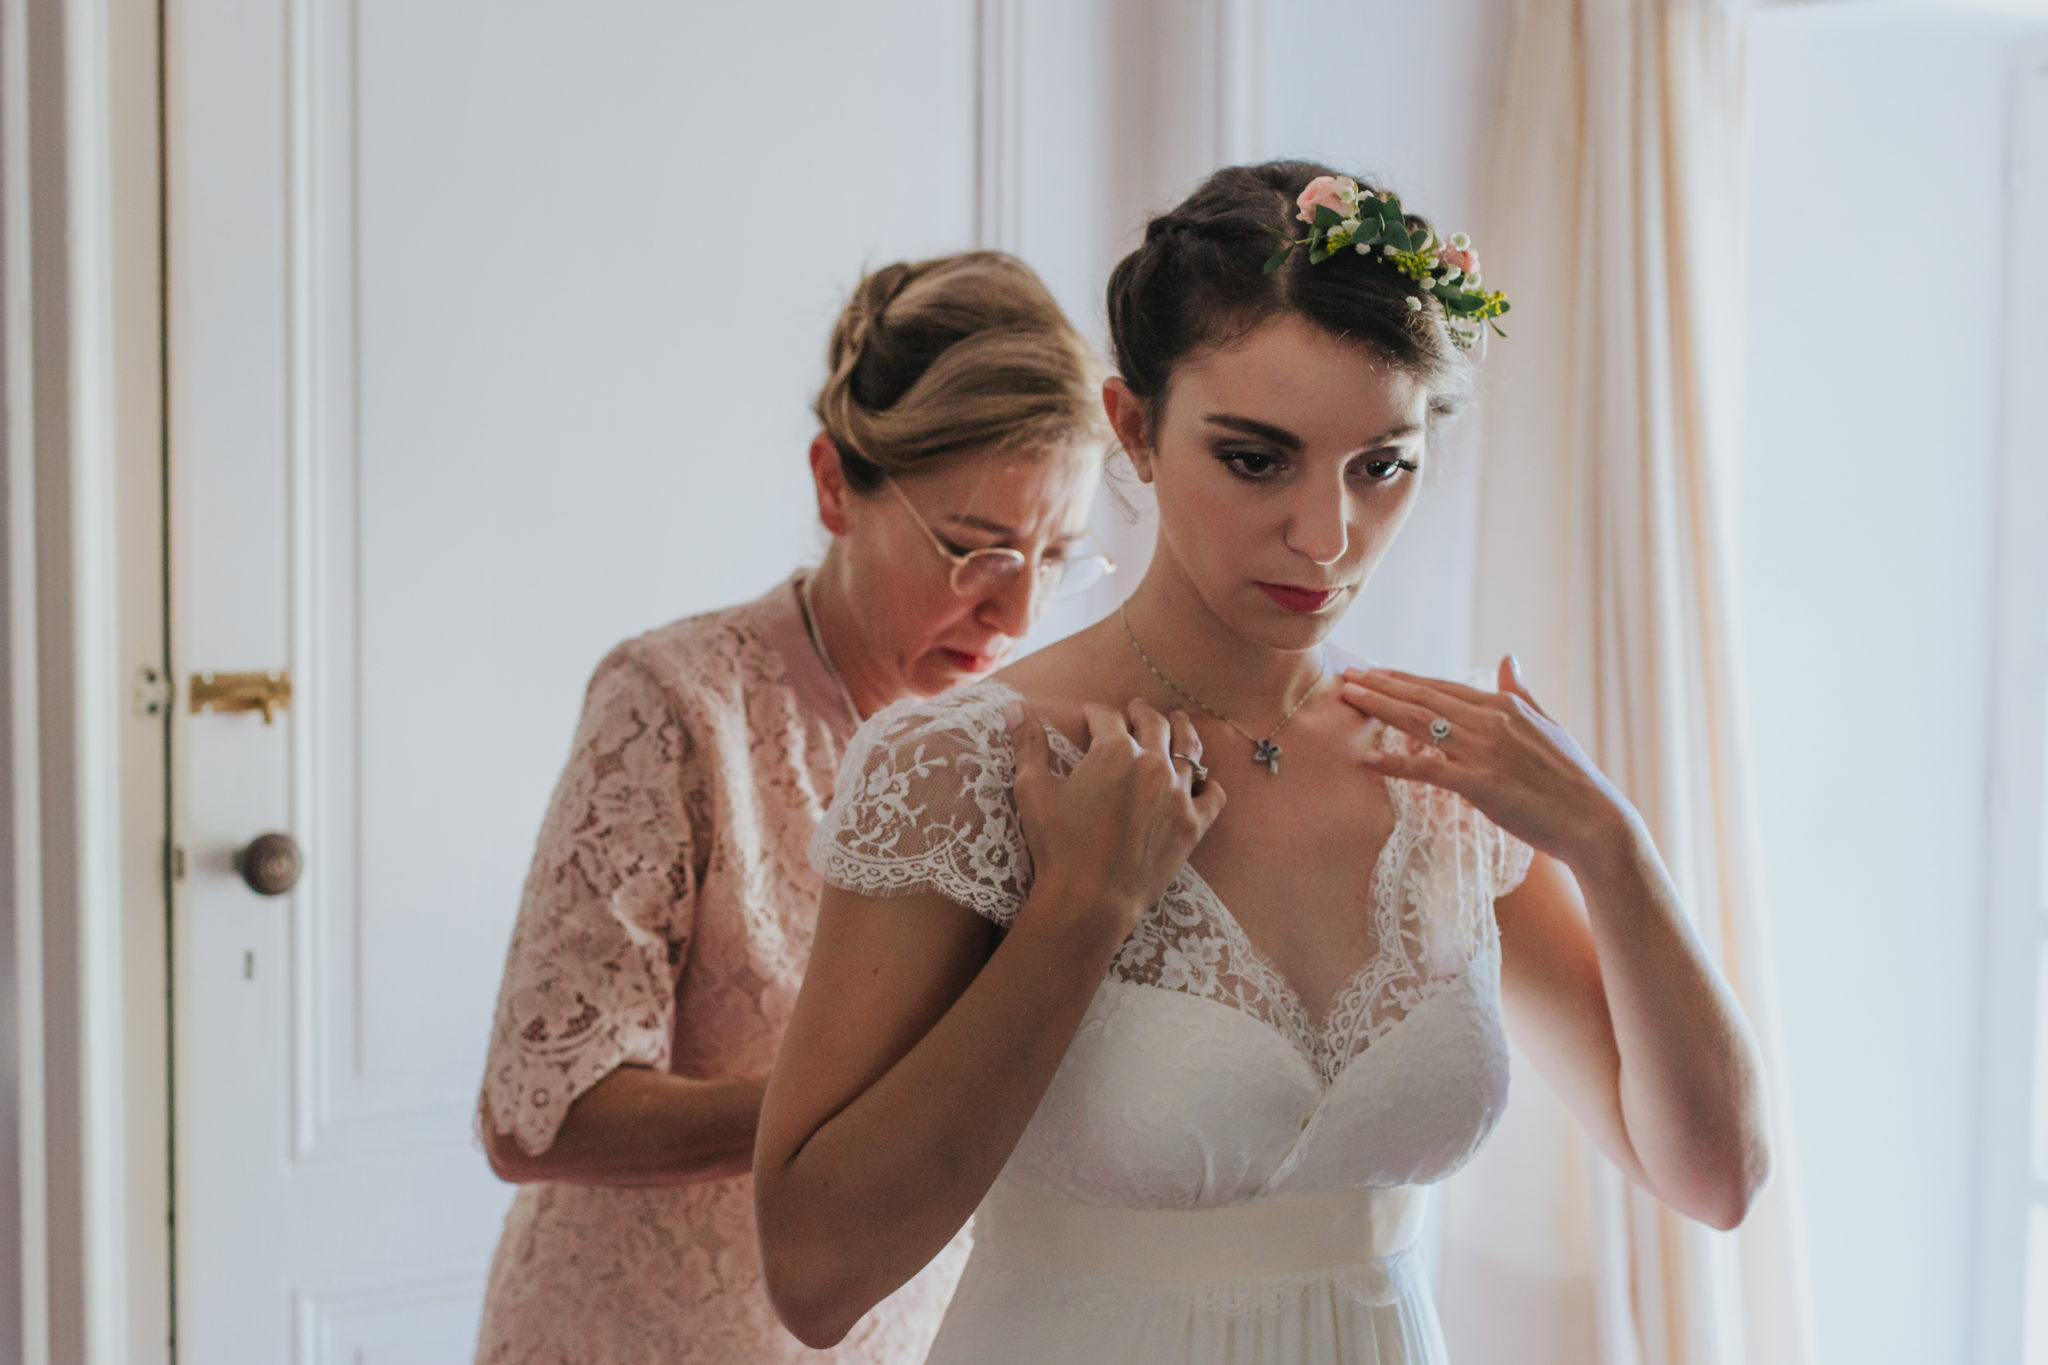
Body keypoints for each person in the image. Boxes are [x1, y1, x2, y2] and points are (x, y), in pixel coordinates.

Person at [753, 163, 1771, 1365]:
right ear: (1131, 427)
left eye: (1379, 466)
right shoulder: (966, 763)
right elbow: (814, 1276)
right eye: (1254, 459)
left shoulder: (1438, 779)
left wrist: (1612, 847)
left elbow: (1710, 1178)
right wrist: (1079, 912)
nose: (1326, 536)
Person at [472, 250, 1114, 1365]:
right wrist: (851, 1116)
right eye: (973, 549)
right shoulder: (678, 704)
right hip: (642, 1336)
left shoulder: (1040, 748)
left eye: (1056, 557)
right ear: (833, 485)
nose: (1016, 609)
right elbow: (539, 1113)